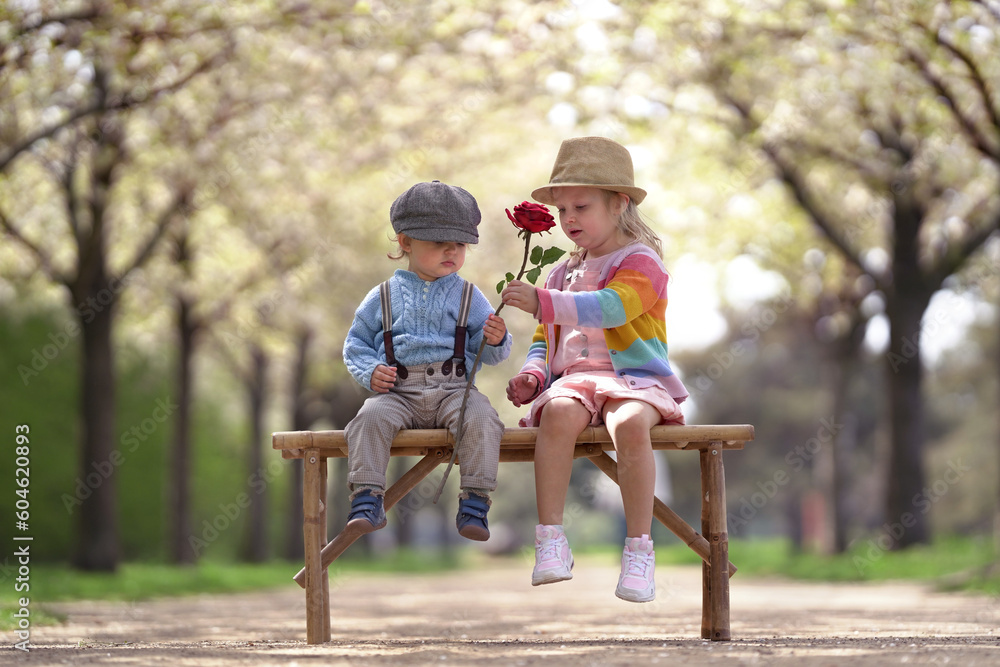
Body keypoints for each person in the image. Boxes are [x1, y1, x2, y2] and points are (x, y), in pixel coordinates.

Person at [501, 137, 688, 602]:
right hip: (577, 383)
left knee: (628, 423)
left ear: (619, 203)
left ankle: (639, 548)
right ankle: (550, 539)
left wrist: (545, 301)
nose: (568, 220)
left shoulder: (641, 262)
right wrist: (535, 374)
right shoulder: (560, 273)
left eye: (580, 207)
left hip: (634, 381)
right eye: (562, 210)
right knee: (559, 415)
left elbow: (612, 308)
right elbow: (547, 339)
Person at [343, 180, 512, 541]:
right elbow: (355, 343)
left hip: (454, 391)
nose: (451, 251)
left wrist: (495, 337)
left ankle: (475, 501)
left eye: (460, 244)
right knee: (367, 418)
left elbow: (492, 353)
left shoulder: (469, 295)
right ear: (405, 242)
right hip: (398, 393)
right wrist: (370, 370)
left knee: (483, 419)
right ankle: (366, 497)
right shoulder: (382, 296)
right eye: (439, 242)